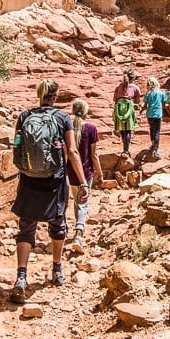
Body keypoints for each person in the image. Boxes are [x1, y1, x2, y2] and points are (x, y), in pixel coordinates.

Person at [10, 79, 89, 304]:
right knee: (58, 223)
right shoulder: (63, 118)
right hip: (54, 180)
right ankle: (56, 269)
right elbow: (72, 151)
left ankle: (21, 277)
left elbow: (16, 145)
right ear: (55, 97)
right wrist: (82, 182)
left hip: (28, 178)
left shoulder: (24, 116)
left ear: (39, 94)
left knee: (26, 227)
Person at [67, 99, 103, 254]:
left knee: (77, 201)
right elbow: (94, 155)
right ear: (86, 112)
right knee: (83, 203)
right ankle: (78, 235)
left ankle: (77, 227)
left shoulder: (68, 128)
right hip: (86, 172)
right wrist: (99, 173)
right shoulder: (91, 128)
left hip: (70, 172)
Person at [113, 69, 141, 156]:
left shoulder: (118, 86)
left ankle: (124, 149)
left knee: (122, 129)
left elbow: (114, 99)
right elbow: (138, 101)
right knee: (128, 130)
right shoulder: (135, 87)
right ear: (133, 78)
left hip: (119, 107)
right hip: (129, 108)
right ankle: (126, 150)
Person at [142, 77, 168, 160]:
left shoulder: (148, 94)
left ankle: (153, 144)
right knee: (157, 131)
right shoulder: (161, 94)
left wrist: (141, 110)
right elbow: (165, 105)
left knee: (152, 130)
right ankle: (155, 151)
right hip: (157, 115)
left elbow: (145, 105)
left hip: (149, 115)